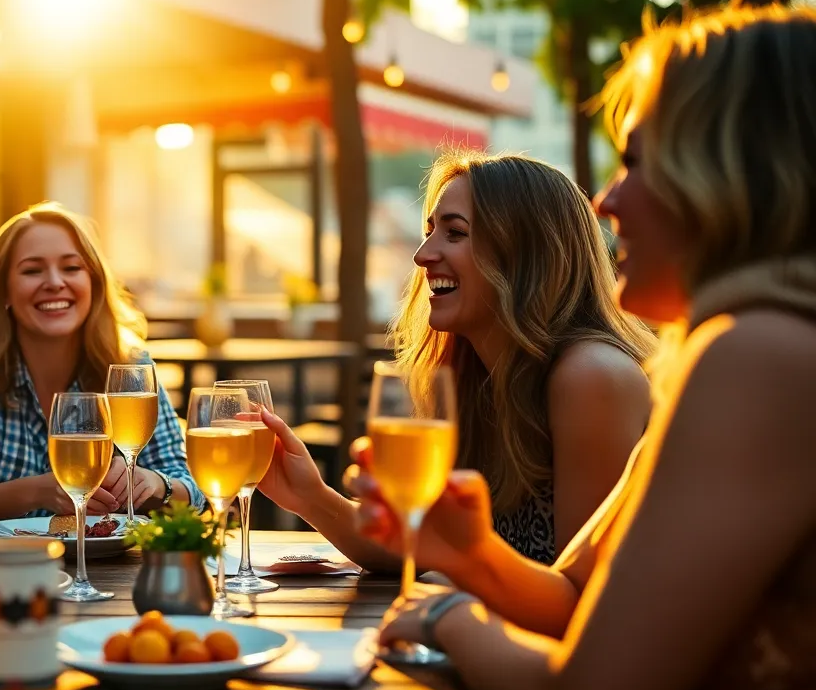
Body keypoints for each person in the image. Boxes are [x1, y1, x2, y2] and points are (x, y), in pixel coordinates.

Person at [373, 4, 816, 690]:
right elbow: (580, 600)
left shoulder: (761, 357)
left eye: (637, 161)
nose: (607, 201)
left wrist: (449, 614)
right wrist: (474, 553)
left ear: (732, 169)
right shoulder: (728, 350)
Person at [261, 152, 656, 566]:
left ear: (525, 251)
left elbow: (579, 596)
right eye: (430, 231)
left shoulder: (591, 376)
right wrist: (309, 495)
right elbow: (418, 546)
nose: (422, 255)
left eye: (455, 233)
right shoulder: (474, 378)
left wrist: (447, 603)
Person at [0, 202, 202, 519]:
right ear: (3, 290)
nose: (55, 282)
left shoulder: (130, 366)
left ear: (94, 284)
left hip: (110, 566)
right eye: (32, 270)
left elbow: (191, 488)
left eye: (71, 268)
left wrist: (155, 484)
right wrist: (38, 491)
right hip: (0, 564)